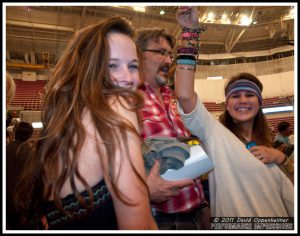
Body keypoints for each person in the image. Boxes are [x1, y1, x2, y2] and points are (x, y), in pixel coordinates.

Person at [12, 17, 157, 230]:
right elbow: (138, 226)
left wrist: (142, 190)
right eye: (112, 66)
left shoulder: (65, 127)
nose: (128, 77)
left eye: (133, 66)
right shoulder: (119, 107)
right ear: (88, 68)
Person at [174, 6, 293, 217]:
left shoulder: (270, 145)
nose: (243, 101)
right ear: (227, 105)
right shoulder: (215, 134)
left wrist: (281, 159)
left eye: (250, 95)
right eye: (236, 96)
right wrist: (190, 33)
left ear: (260, 103)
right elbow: (184, 94)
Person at [135, 7, 210, 230]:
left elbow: (188, 160)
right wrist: (142, 193)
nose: (168, 59)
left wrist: (203, 205)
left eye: (170, 53)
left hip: (197, 211)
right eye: (160, 52)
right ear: (137, 55)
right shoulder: (127, 101)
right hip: (161, 219)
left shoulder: (173, 99)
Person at [6, 122, 34, 229]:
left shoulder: (6, 149)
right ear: (30, 135)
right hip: (23, 202)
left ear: (15, 133)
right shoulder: (32, 153)